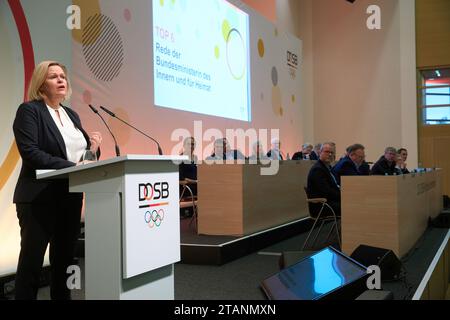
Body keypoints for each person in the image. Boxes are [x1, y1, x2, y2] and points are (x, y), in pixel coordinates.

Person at [12, 61, 102, 300]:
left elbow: (78, 158)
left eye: (63, 75)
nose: (61, 80)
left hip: (69, 196)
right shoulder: (30, 111)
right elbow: (31, 152)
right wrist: (73, 166)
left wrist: (92, 150)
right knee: (31, 264)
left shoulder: (70, 114)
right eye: (54, 76)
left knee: (64, 262)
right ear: (41, 83)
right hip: (39, 197)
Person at [306, 142, 341, 217]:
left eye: (332, 152)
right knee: (350, 205)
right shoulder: (317, 169)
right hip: (321, 206)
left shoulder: (326, 167)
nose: (330, 154)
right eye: (327, 152)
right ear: (320, 153)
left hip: (329, 202)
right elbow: (326, 191)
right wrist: (342, 196)